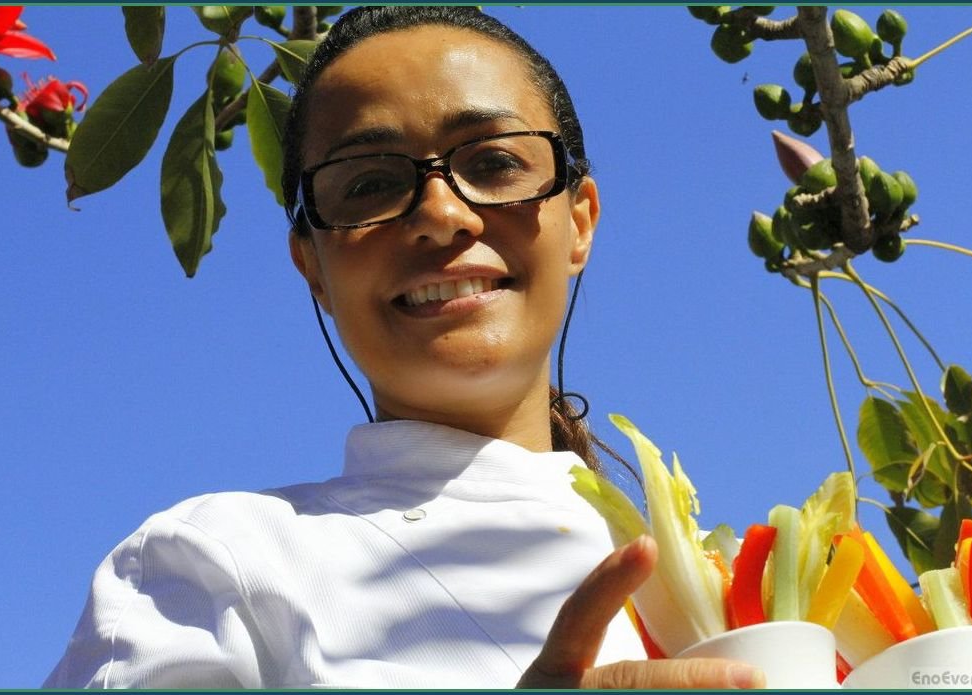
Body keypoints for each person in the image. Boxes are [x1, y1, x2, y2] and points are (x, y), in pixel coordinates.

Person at [44, 7, 764, 689]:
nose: (441, 214)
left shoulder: (729, 584)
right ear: (312, 268)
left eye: (493, 163)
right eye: (369, 183)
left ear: (580, 222)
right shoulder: (214, 561)